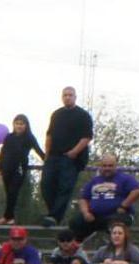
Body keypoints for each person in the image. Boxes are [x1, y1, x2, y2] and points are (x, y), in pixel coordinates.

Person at [40, 86, 94, 226]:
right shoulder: (56, 114)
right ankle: (53, 213)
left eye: (70, 95)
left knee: (65, 187)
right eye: (65, 95)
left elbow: (87, 137)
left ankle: (54, 217)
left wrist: (74, 152)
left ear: (75, 97)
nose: (67, 97)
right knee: (46, 185)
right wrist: (47, 155)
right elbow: (49, 135)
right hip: (53, 156)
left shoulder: (83, 115)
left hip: (71, 159)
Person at [68, 153, 139, 241]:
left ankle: (117, 248)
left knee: (116, 225)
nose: (107, 168)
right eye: (104, 166)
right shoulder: (94, 181)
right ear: (100, 167)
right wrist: (86, 213)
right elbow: (83, 199)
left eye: (110, 166)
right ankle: (76, 246)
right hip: (95, 217)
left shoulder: (125, 178)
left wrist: (123, 206)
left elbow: (137, 192)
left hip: (117, 215)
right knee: (75, 223)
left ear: (116, 166)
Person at [0, 114, 44, 224]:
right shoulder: (9, 137)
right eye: (17, 123)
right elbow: (2, 152)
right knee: (8, 193)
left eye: (22, 124)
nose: (19, 126)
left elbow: (39, 150)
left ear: (26, 125)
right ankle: (10, 217)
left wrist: (47, 160)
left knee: (13, 192)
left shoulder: (29, 137)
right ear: (14, 125)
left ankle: (6, 217)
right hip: (6, 168)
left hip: (19, 169)